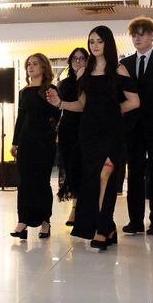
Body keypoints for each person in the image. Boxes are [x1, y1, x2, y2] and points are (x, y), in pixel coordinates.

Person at [47, 26, 140, 250]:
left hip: (112, 132)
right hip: (88, 133)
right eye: (91, 41)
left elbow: (134, 101)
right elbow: (82, 105)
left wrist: (111, 111)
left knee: (105, 175)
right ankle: (107, 227)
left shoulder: (118, 69)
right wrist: (60, 103)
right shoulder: (83, 73)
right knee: (92, 180)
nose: (95, 45)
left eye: (99, 41)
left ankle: (101, 228)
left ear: (107, 43)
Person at [10, 54, 60, 240]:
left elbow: (56, 115)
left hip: (44, 142)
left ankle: (45, 221)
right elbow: (20, 119)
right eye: (28, 64)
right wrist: (14, 142)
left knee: (41, 182)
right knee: (24, 182)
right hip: (26, 141)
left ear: (44, 67)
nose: (30, 67)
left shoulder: (51, 90)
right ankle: (23, 221)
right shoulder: (23, 92)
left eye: (35, 64)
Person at [121, 16, 153, 235]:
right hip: (133, 127)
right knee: (134, 172)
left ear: (152, 35)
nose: (137, 39)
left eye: (141, 34)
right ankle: (135, 221)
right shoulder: (125, 64)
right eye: (134, 35)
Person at [57, 47, 89, 226]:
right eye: (75, 58)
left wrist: (62, 104)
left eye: (82, 58)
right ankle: (75, 208)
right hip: (68, 129)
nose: (78, 61)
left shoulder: (91, 81)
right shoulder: (64, 83)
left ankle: (84, 210)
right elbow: (57, 109)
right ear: (70, 62)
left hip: (86, 128)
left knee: (84, 168)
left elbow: (84, 106)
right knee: (71, 168)